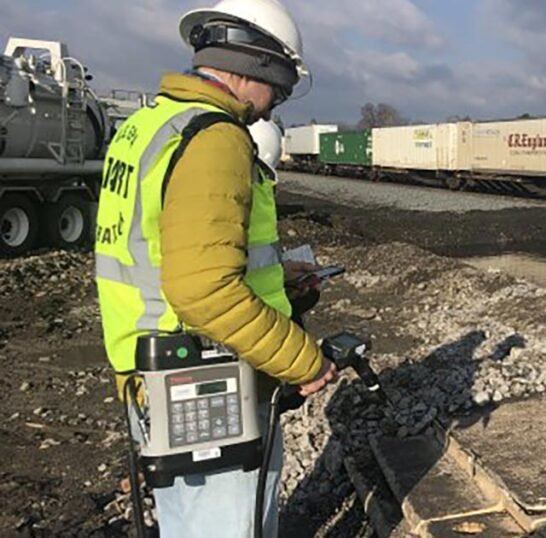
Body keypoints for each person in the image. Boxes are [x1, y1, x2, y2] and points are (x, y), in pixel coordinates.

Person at [93, 1, 335, 536]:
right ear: (262, 67)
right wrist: (304, 360)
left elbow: (159, 250)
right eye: (282, 88)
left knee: (187, 523)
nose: (273, 107)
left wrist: (277, 281)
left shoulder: (146, 125)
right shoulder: (215, 137)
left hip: (151, 371)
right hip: (207, 378)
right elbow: (203, 289)